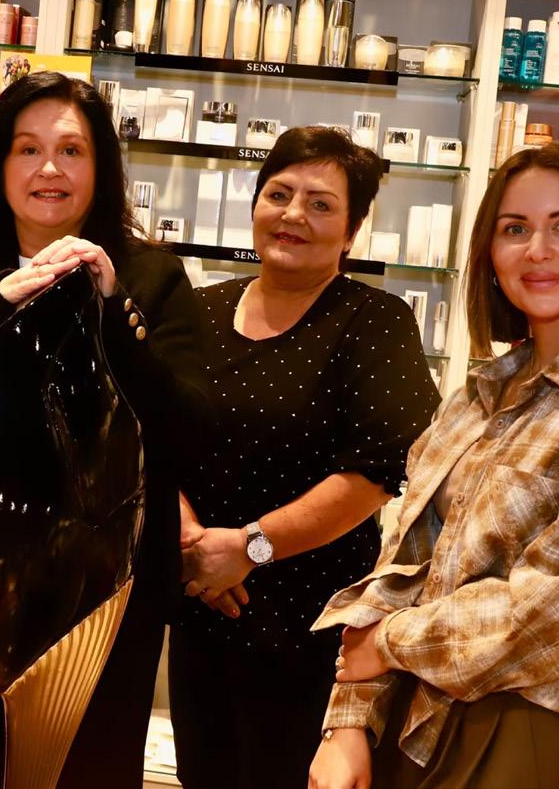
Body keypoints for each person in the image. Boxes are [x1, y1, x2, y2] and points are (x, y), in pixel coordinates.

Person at [0, 71, 208, 788]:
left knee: (91, 768)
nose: (48, 169)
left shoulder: (152, 277)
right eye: (27, 149)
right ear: (0, 166)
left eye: (71, 151)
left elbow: (185, 424)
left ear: (101, 169)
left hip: (110, 588)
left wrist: (112, 306)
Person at [309, 143, 559, 789]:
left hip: (527, 730)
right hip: (409, 720)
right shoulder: (475, 397)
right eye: (515, 229)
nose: (538, 250)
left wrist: (389, 643)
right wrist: (349, 724)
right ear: (490, 254)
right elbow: (399, 567)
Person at [169, 126, 440, 789]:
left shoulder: (376, 322)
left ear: (352, 232)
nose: (293, 215)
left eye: (320, 204)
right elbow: (149, 438)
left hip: (314, 630)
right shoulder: (198, 310)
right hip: (200, 607)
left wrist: (249, 548)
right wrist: (190, 540)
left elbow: (376, 475)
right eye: (279, 194)